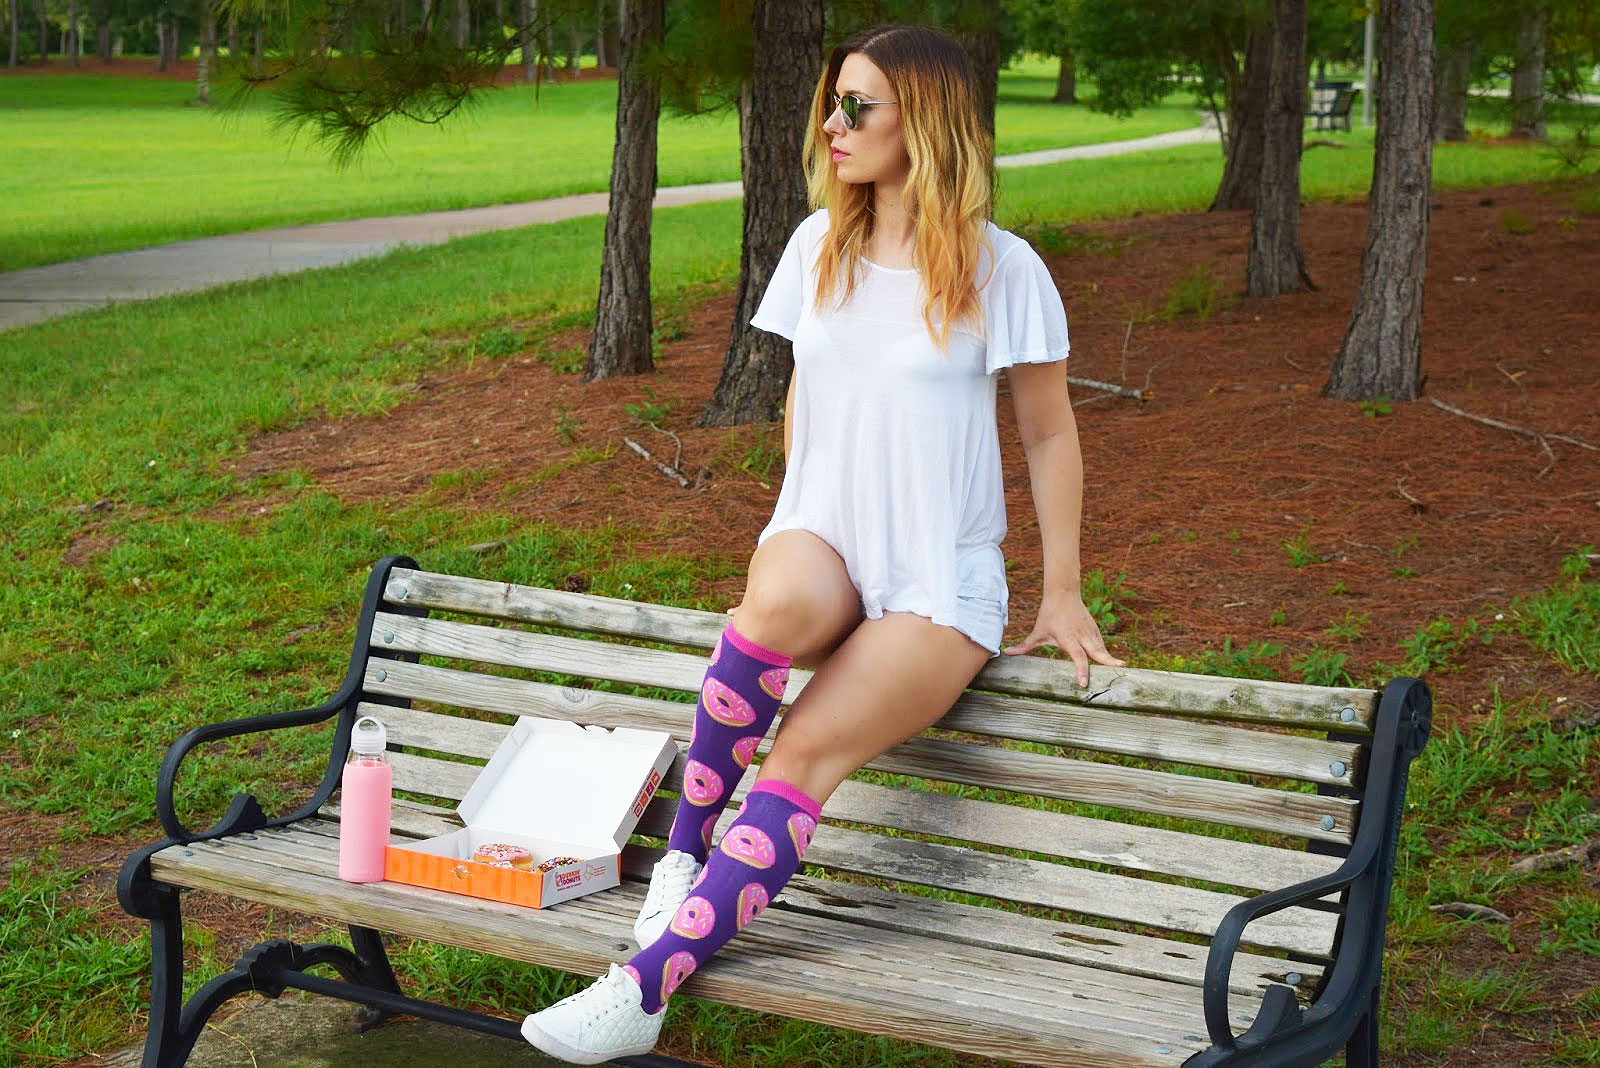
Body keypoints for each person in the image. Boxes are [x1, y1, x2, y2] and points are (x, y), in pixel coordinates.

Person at [520, 23, 1123, 1064]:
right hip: (831, 539)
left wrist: (1060, 591)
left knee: (797, 754)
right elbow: (805, 390)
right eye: (832, 101)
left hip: (938, 580)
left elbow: (1046, 430)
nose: (832, 125)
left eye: (860, 106)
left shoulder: (1003, 269)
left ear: (923, 124)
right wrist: (800, 511)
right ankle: (683, 856)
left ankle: (643, 989)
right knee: (769, 609)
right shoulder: (818, 245)